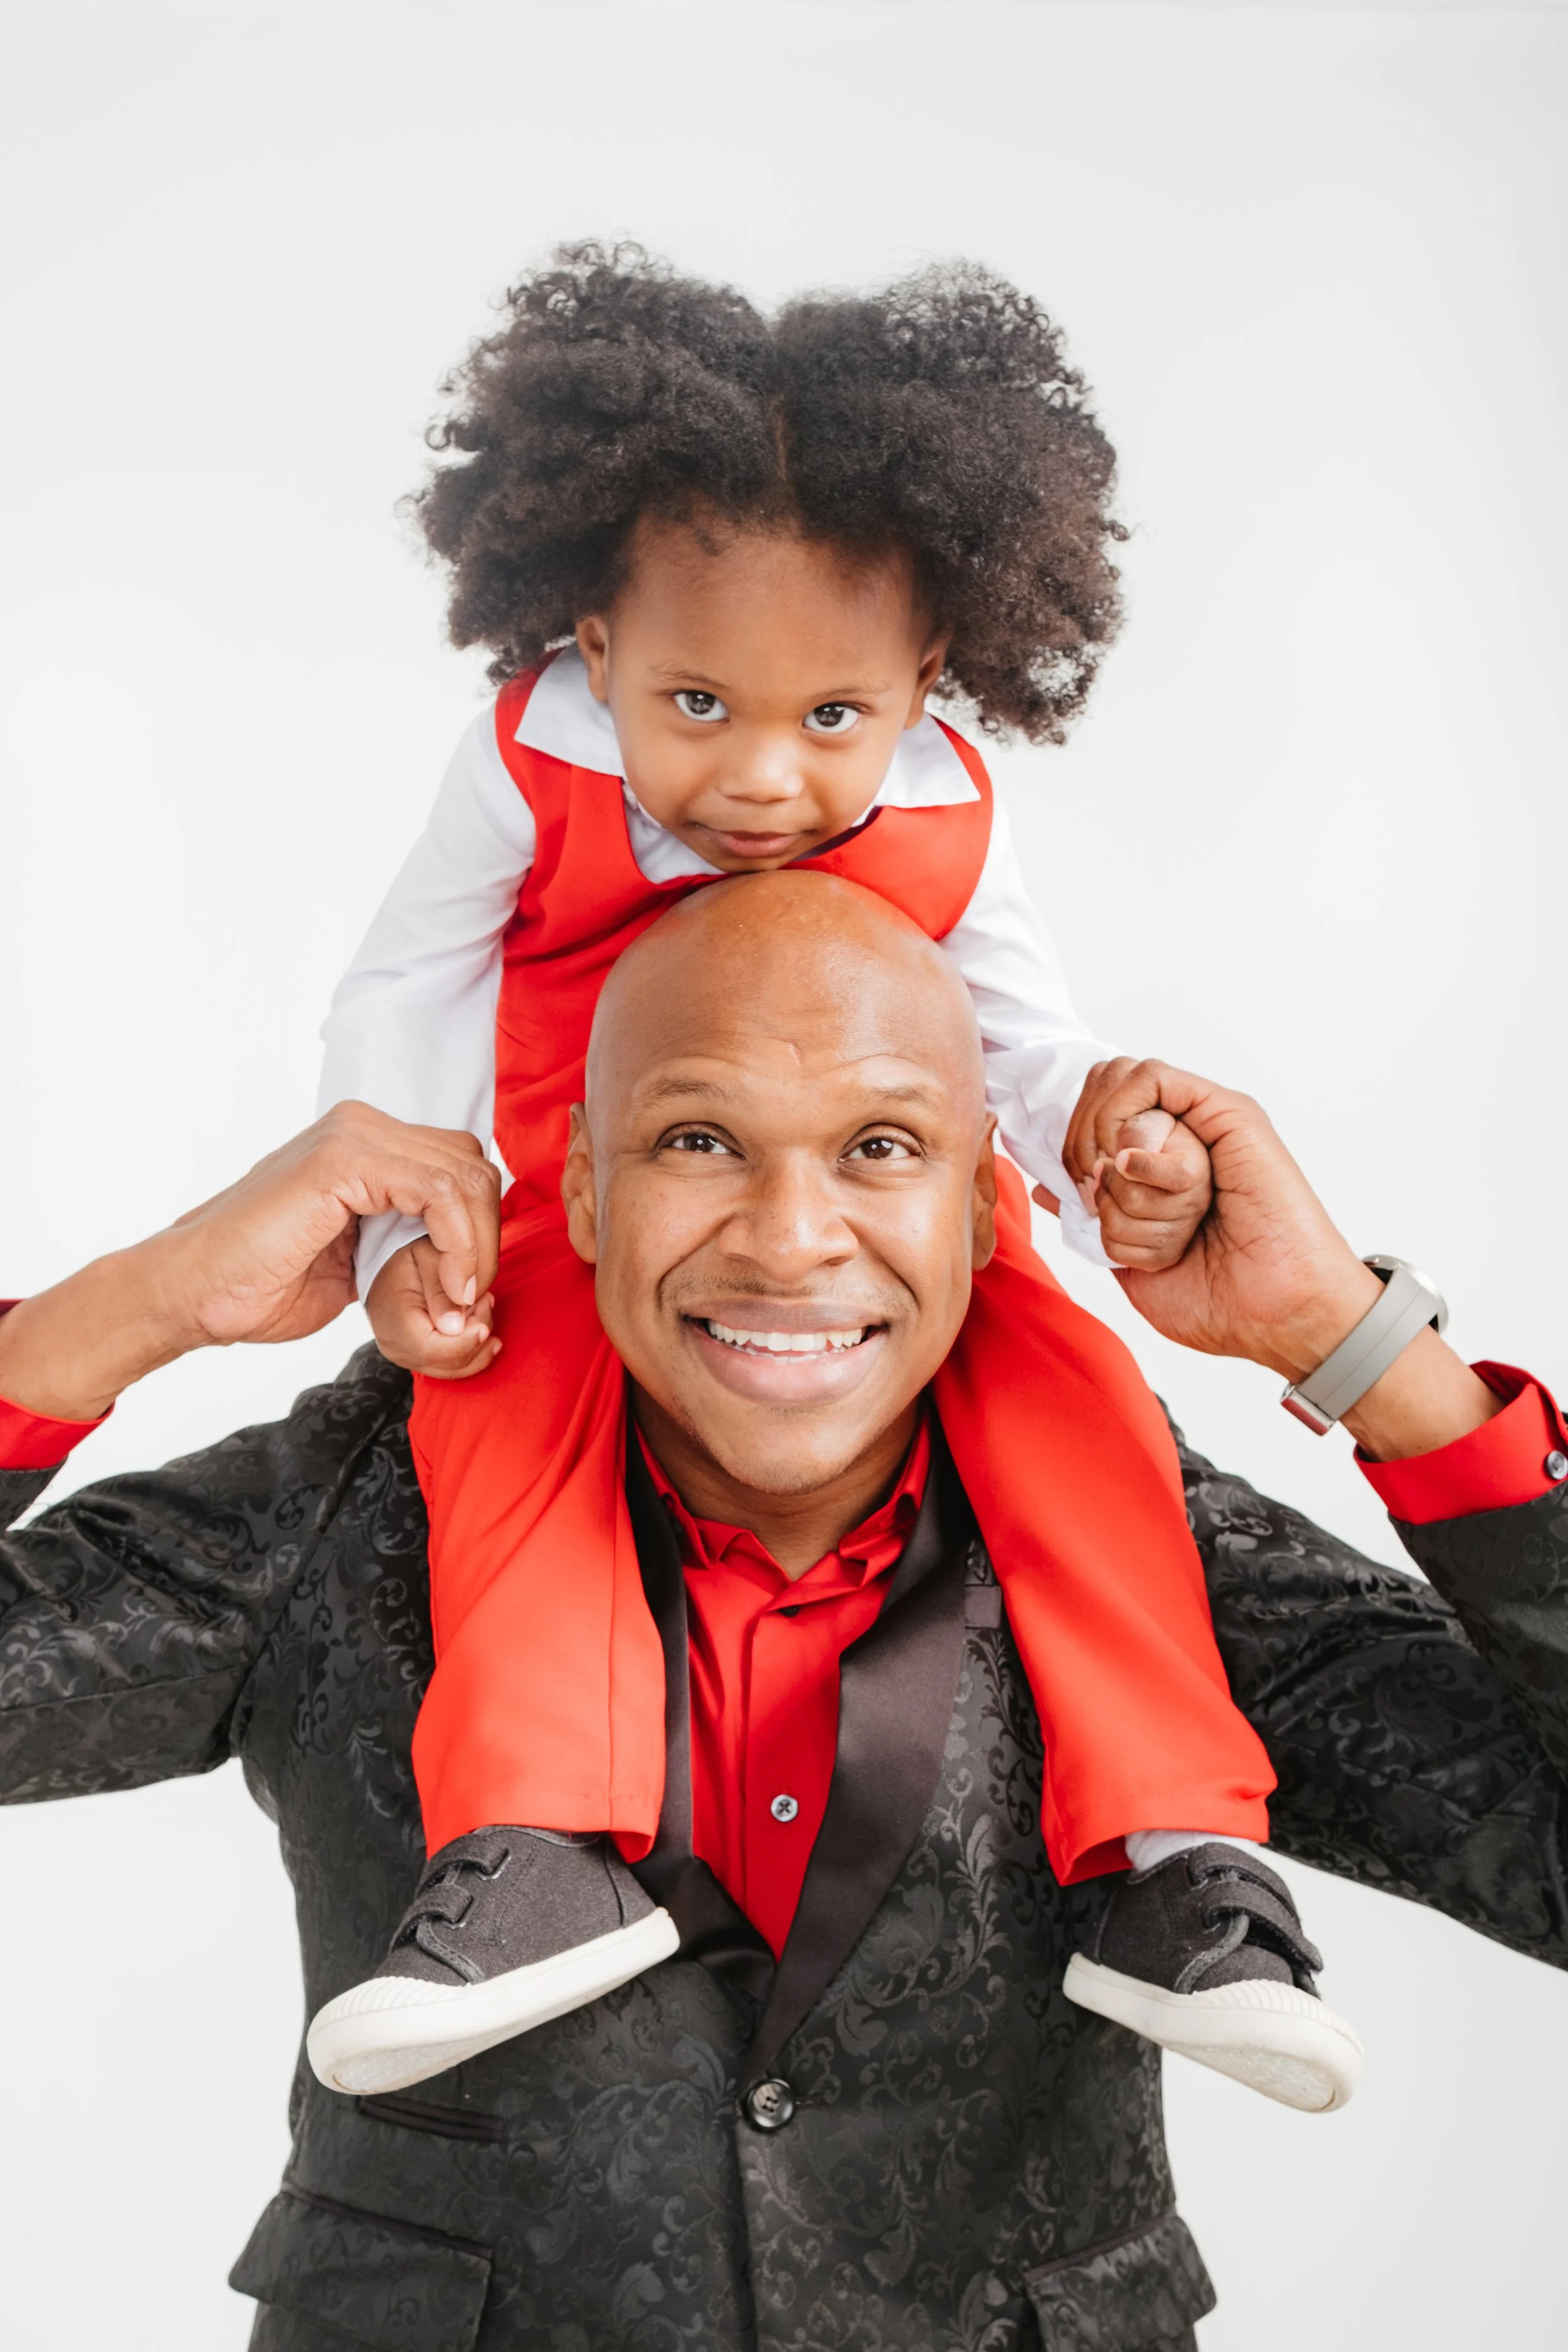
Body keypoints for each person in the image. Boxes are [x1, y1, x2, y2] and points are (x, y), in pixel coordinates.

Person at [3, 874, 1565, 2351]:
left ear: (979, 1207)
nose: (785, 1237)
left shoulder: (1143, 1545)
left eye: (881, 1146)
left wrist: (1360, 1349)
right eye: (697, 1140)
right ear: (587, 1191)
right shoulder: (361, 1496)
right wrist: (123, 1312)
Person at [313, 242, 1299, 2091]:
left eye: (828, 715)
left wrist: (1100, 1133)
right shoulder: (524, 759)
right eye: (697, 706)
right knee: (495, 1410)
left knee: (1079, 1409)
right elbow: (402, 986)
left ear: (927, 677)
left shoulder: (940, 800)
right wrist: (394, 1217)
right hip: (586, 1202)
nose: (762, 777)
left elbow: (1020, 1037)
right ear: (590, 646)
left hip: (892, 1219)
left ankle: (1181, 1860)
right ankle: (534, 1838)